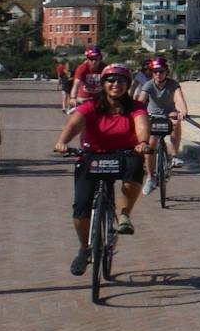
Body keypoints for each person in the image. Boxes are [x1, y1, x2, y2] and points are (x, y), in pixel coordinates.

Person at [52, 62, 150, 273]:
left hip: (123, 153)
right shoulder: (91, 105)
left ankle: (124, 214)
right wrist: (62, 141)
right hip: (92, 155)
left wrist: (142, 142)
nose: (116, 84)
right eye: (111, 80)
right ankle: (84, 248)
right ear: (103, 83)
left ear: (128, 84)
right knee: (80, 207)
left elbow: (142, 125)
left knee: (135, 166)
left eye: (122, 80)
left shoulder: (135, 106)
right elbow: (74, 123)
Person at [136, 54, 189, 169]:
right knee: (152, 142)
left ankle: (174, 155)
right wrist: (138, 113)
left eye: (161, 71)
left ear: (166, 72)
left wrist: (183, 111)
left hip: (169, 113)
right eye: (155, 71)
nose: (158, 74)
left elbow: (179, 98)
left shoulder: (173, 84)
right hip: (152, 115)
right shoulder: (148, 85)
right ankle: (151, 174)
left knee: (176, 122)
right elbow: (141, 100)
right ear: (152, 73)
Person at [69, 46, 105, 110]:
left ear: (100, 58)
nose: (94, 61)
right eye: (91, 59)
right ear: (87, 59)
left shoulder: (105, 68)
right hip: (84, 98)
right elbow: (76, 84)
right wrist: (73, 98)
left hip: (99, 98)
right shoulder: (82, 68)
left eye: (96, 59)